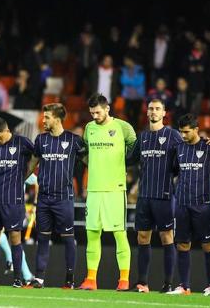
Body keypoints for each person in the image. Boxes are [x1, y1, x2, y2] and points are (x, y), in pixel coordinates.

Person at [26, 103, 87, 289]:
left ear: (57, 119)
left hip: (64, 198)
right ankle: (39, 278)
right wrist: (18, 181)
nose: (43, 120)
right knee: (42, 237)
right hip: (44, 198)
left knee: (68, 237)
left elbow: (89, 162)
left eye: (47, 117)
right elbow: (31, 165)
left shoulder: (74, 140)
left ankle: (70, 280)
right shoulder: (40, 140)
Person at [79, 95, 136, 291]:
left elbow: (135, 152)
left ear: (107, 108)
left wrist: (124, 169)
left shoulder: (123, 127)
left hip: (115, 188)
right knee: (92, 233)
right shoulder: (89, 128)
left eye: (98, 112)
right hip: (94, 188)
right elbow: (85, 153)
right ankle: (91, 279)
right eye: (92, 113)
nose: (95, 116)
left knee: (120, 234)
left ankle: (124, 280)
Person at [128, 99, 181, 293]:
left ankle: (168, 284)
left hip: (164, 195)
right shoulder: (142, 137)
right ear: (147, 112)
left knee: (167, 236)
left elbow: (184, 157)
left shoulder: (173, 135)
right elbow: (128, 159)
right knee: (143, 237)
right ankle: (142, 283)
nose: (153, 112)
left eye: (158, 109)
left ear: (164, 113)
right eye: (151, 108)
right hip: (144, 195)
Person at [167, 114, 210, 296]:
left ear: (196, 129)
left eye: (186, 132)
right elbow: (174, 171)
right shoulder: (179, 148)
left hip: (203, 205)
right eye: (181, 132)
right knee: (182, 245)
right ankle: (184, 286)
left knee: (208, 245)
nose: (183, 135)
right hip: (182, 204)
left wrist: (207, 181)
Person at [0, 117, 34, 287]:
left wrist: (28, 171)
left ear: (6, 130)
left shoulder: (22, 143)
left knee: (15, 237)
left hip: (14, 200)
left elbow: (37, 157)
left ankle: (18, 279)